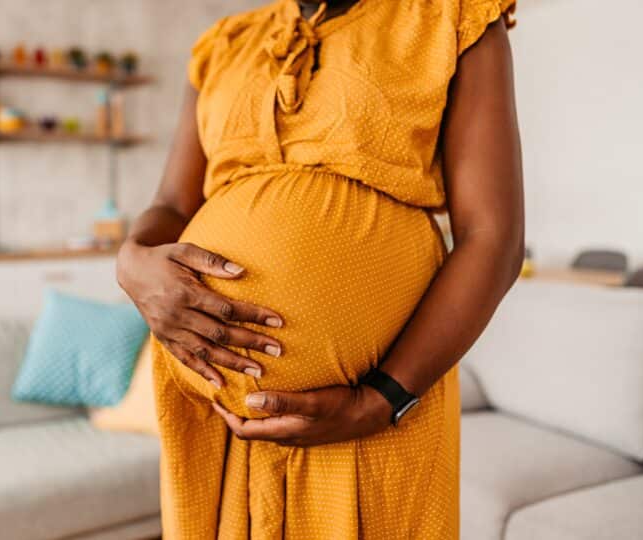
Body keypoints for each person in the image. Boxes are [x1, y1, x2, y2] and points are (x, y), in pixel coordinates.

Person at [117, 0, 523, 537]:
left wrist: (380, 401)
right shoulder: (223, 46)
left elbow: (494, 238)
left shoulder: (451, 18)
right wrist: (133, 260)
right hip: (219, 425)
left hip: (377, 412)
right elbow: (172, 203)